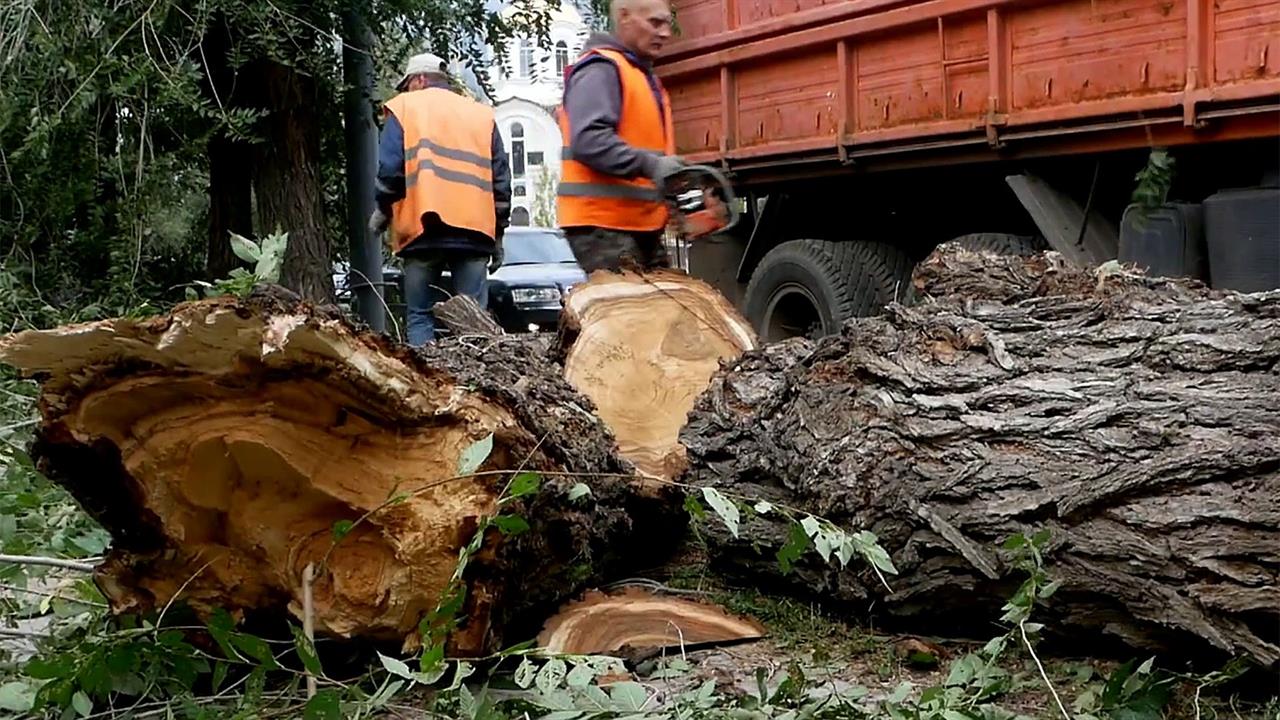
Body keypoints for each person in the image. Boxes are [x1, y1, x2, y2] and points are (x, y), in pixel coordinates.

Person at [370, 52, 512, 345]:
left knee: (420, 315)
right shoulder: (480, 114)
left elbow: (391, 170)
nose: (406, 91)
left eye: (407, 84)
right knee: (475, 320)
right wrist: (498, 233)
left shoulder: (405, 107)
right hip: (474, 230)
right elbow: (500, 180)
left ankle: (423, 371)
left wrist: (383, 210)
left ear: (420, 79)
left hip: (423, 229)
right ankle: (479, 372)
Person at [556, 0, 685, 273]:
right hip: (602, 224)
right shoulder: (601, 69)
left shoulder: (640, 76)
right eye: (655, 23)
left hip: (635, 224)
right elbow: (589, 141)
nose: (665, 33)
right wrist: (652, 166)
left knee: (659, 299)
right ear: (624, 17)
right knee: (630, 301)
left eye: (667, 23)